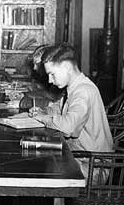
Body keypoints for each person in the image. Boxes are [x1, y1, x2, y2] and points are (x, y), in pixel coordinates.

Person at [28, 43, 114, 183]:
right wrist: (43, 111)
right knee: (39, 160)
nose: (49, 80)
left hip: (94, 167)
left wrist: (44, 118)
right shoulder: (75, 87)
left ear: (67, 67)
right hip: (81, 157)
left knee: (40, 169)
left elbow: (69, 128)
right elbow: (60, 110)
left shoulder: (83, 91)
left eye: (52, 74)